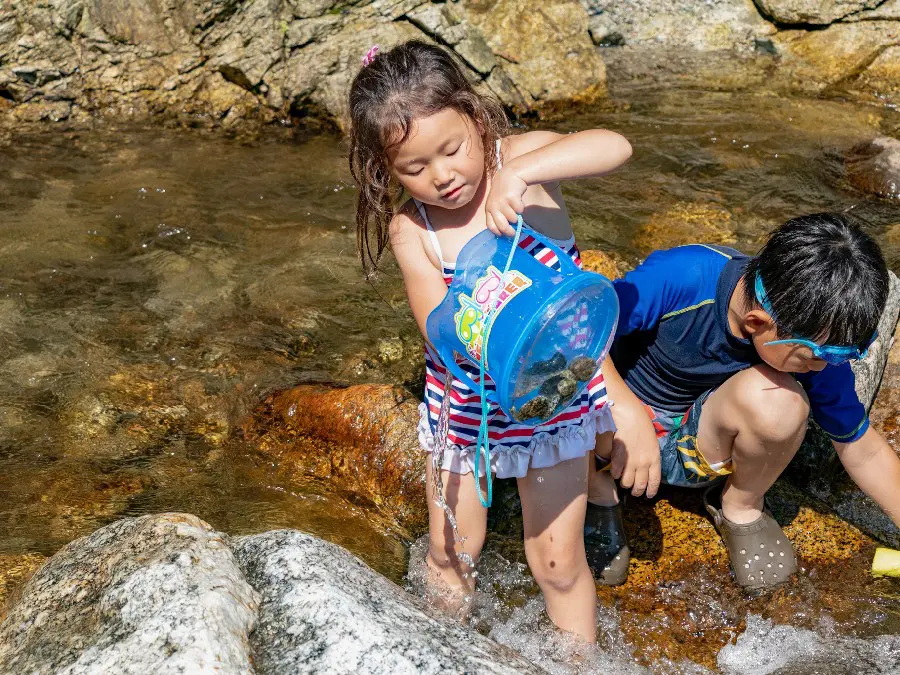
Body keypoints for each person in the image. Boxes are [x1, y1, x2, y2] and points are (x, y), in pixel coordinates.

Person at [347, 40, 634, 640]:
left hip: (553, 401)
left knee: (557, 563)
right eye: (413, 169)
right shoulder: (414, 229)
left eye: (452, 150)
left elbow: (616, 146)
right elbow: (436, 330)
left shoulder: (524, 162)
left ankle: (579, 660)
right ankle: (439, 649)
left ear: (476, 121)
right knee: (451, 553)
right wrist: (482, 316)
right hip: (469, 409)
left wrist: (521, 172)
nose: (443, 176)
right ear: (385, 170)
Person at [592, 212, 900, 589]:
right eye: (823, 355)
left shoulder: (812, 335)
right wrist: (624, 408)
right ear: (757, 323)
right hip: (611, 432)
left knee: (781, 403)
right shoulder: (682, 278)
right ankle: (596, 492)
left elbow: (862, 449)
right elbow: (577, 330)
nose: (827, 366)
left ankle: (740, 504)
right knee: (556, 381)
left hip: (695, 443)